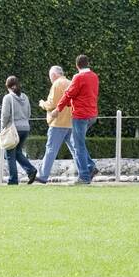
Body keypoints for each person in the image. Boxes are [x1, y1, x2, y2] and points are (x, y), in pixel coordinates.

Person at [55, 54, 99, 184]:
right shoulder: (94, 76)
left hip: (81, 115)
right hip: (92, 114)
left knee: (78, 145)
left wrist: (58, 109)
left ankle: (84, 177)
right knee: (78, 142)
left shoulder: (78, 77)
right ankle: (90, 167)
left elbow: (69, 94)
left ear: (77, 65)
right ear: (88, 63)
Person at [36, 65, 72, 183]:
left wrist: (42, 103)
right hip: (70, 122)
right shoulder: (70, 82)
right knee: (75, 149)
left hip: (57, 123)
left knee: (50, 149)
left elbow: (51, 104)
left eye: (50, 76)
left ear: (53, 75)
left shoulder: (56, 84)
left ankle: (43, 176)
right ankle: (88, 168)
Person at [0, 75, 37, 185]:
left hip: (13, 129)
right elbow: (29, 113)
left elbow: (5, 115)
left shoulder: (8, 98)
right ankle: (31, 170)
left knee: (10, 155)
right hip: (25, 128)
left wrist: (3, 128)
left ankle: (13, 180)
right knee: (17, 152)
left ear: (8, 86)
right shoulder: (25, 97)